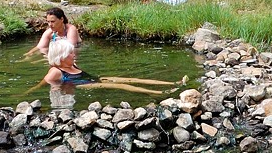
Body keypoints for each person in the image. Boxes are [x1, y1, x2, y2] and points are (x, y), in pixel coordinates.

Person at [40, 39, 186, 109]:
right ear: (61, 57)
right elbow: (44, 85)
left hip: (92, 79)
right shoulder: (55, 71)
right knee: (121, 85)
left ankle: (173, 83)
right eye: (70, 53)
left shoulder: (72, 64)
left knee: (129, 79)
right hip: (84, 85)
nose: (74, 54)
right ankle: (159, 93)